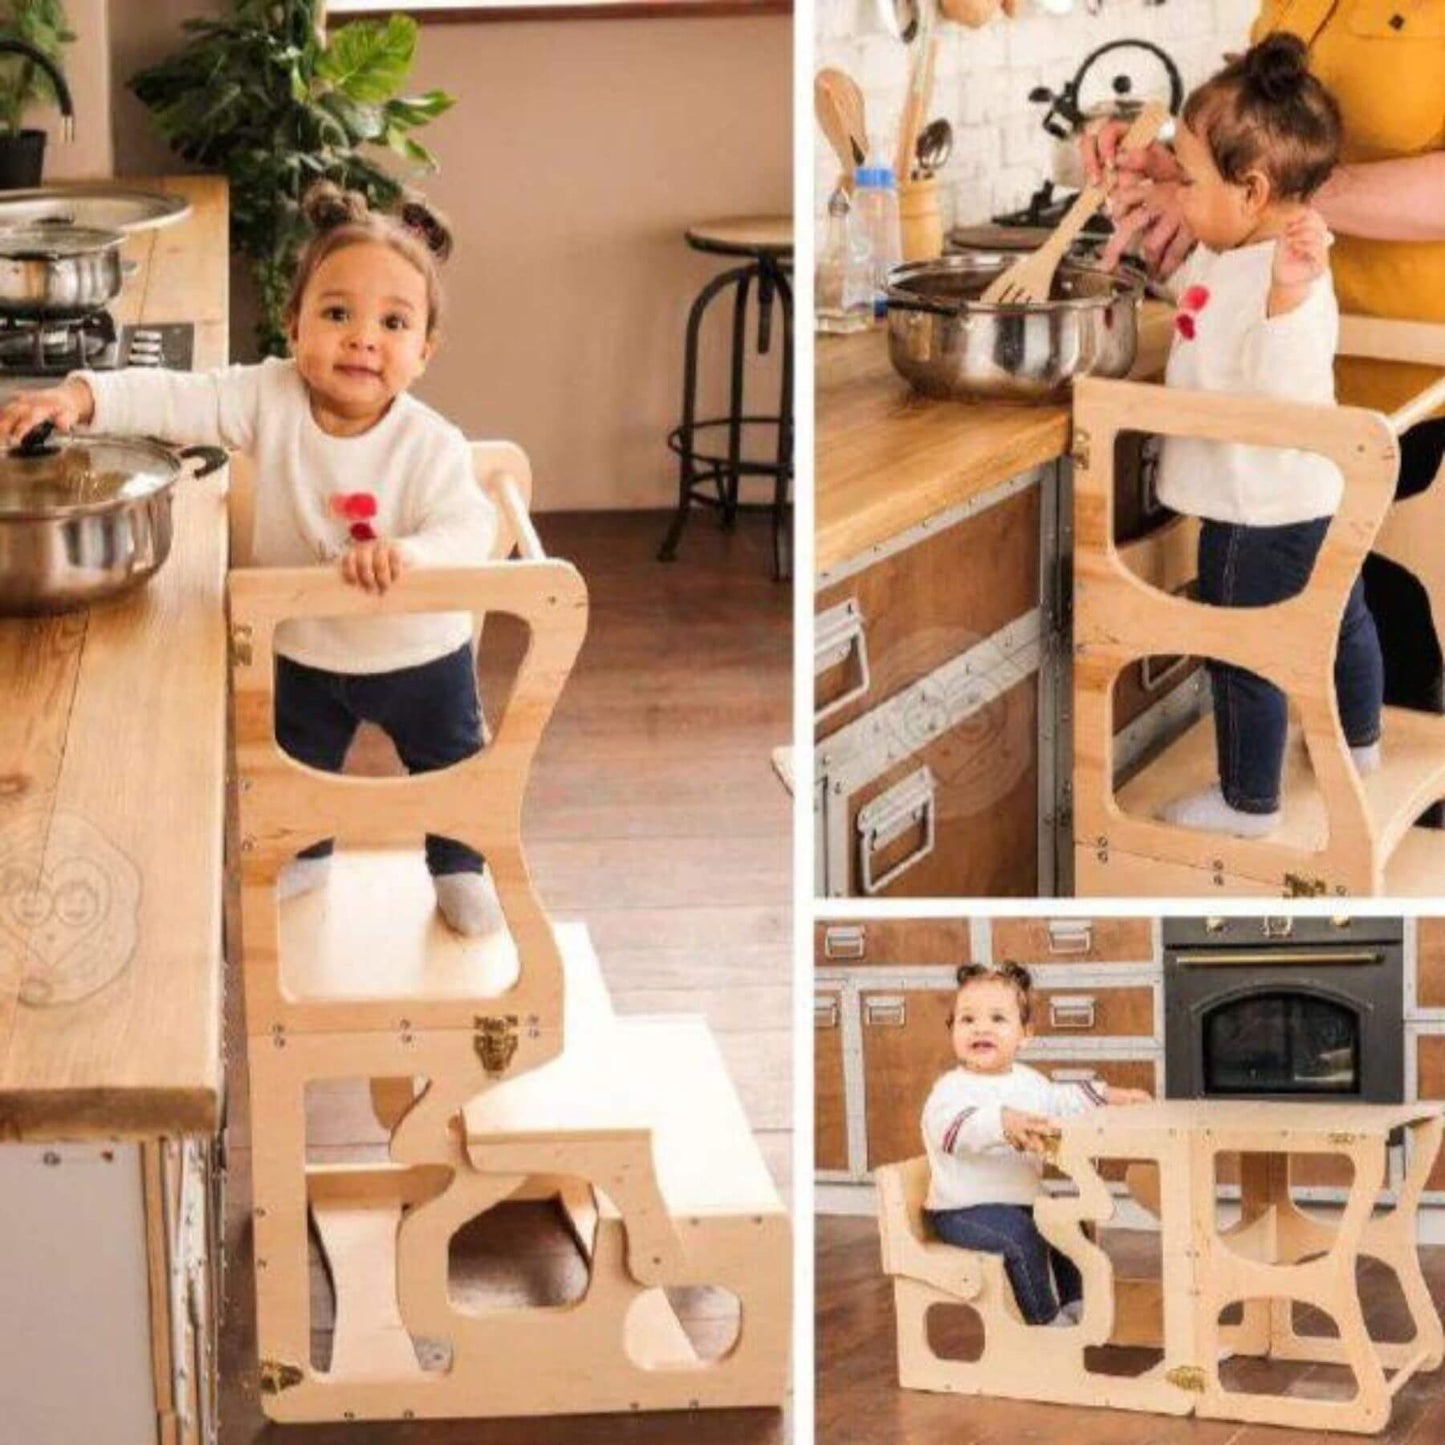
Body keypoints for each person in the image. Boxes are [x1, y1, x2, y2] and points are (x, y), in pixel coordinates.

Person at [0, 182, 499, 934]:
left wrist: (409, 553)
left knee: (452, 768)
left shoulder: (430, 444)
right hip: (302, 645)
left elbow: (469, 526)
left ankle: (461, 864)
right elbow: (179, 396)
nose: (363, 338)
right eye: (337, 314)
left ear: (423, 351)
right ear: (294, 324)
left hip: (420, 652)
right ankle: (307, 851)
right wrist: (79, 396)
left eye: (393, 323)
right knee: (294, 764)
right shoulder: (269, 396)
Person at [1085, 11, 1445, 757]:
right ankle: (1355, 758)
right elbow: (1257, 138)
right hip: (1301, 354)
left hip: (1404, 364)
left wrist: (1260, 196)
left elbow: (1266, 174)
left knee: (1291, 614)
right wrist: (1188, 176)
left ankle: (1277, 797)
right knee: (1339, 592)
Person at [1126, 37, 1385, 837]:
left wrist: (1285, 296)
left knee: (1243, 651)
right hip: (1305, 498)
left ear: (1251, 189)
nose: (1179, 190)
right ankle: (1358, 739)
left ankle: (1247, 802)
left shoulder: (1290, 274)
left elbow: (1280, 389)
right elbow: (1201, 303)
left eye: (1190, 178)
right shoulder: (1235, 245)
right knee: (1337, 618)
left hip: (1256, 510)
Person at [921, 961, 1151, 1328]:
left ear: (1024, 1034)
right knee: (1020, 1237)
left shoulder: (1029, 1082)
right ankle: (1044, 1322)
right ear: (952, 1031)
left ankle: (1078, 1303)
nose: (981, 1027)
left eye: (997, 1018)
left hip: (1020, 1201)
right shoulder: (951, 1089)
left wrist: (1109, 1095)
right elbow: (949, 1131)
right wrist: (1001, 1122)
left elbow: (1061, 1101)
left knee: (1069, 1222)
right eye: (967, 1020)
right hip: (962, 1208)